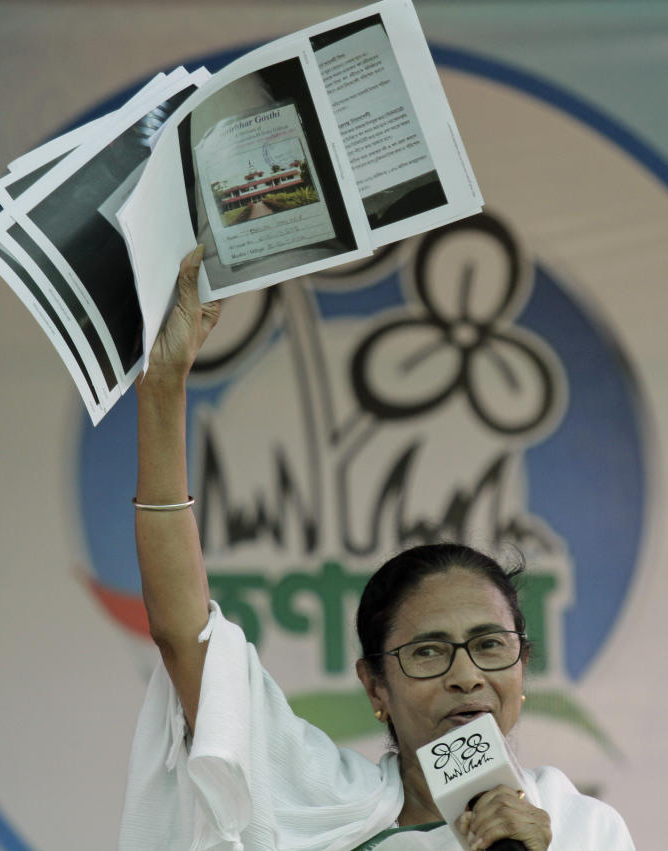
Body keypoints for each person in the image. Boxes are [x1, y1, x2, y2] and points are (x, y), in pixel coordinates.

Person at [119, 248, 635, 851]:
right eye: (428, 652)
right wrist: (161, 390)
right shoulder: (320, 810)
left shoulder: (585, 831)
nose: (466, 676)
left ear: (522, 671)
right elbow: (186, 637)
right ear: (375, 688)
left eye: (490, 646)